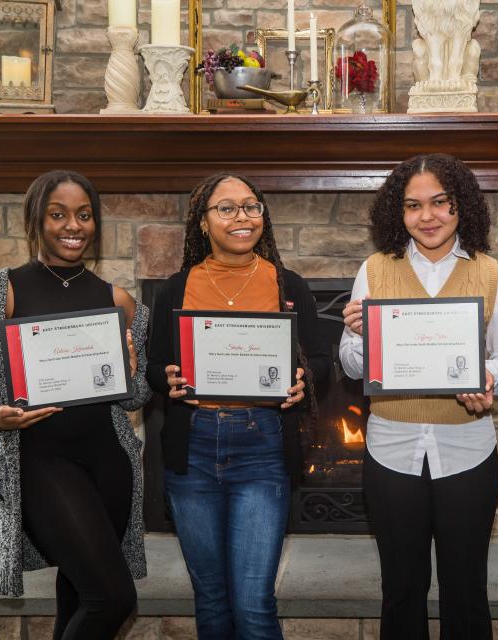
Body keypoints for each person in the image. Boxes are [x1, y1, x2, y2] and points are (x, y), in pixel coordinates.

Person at [0, 170, 151, 639]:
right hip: (39, 459)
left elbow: (136, 398)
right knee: (113, 598)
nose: (72, 226)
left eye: (83, 215)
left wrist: (133, 370)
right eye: (58, 214)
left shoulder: (119, 300)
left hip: (109, 462)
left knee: (79, 595)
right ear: (36, 219)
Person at [340, 153, 498, 639]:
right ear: (397, 214)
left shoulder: (492, 274)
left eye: (440, 203)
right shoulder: (375, 269)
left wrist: (488, 375)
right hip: (391, 450)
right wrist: (360, 337)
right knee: (401, 589)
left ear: (460, 205)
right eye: (413, 205)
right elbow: (351, 363)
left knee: (466, 591)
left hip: (468, 451)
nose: (428, 217)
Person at [147, 173, 331, 640]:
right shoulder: (175, 288)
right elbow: (153, 367)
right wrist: (164, 378)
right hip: (192, 452)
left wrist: (301, 383)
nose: (242, 217)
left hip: (262, 446)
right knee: (210, 601)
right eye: (226, 208)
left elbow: (322, 362)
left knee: (253, 604)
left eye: (251, 207)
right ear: (203, 223)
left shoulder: (288, 284)